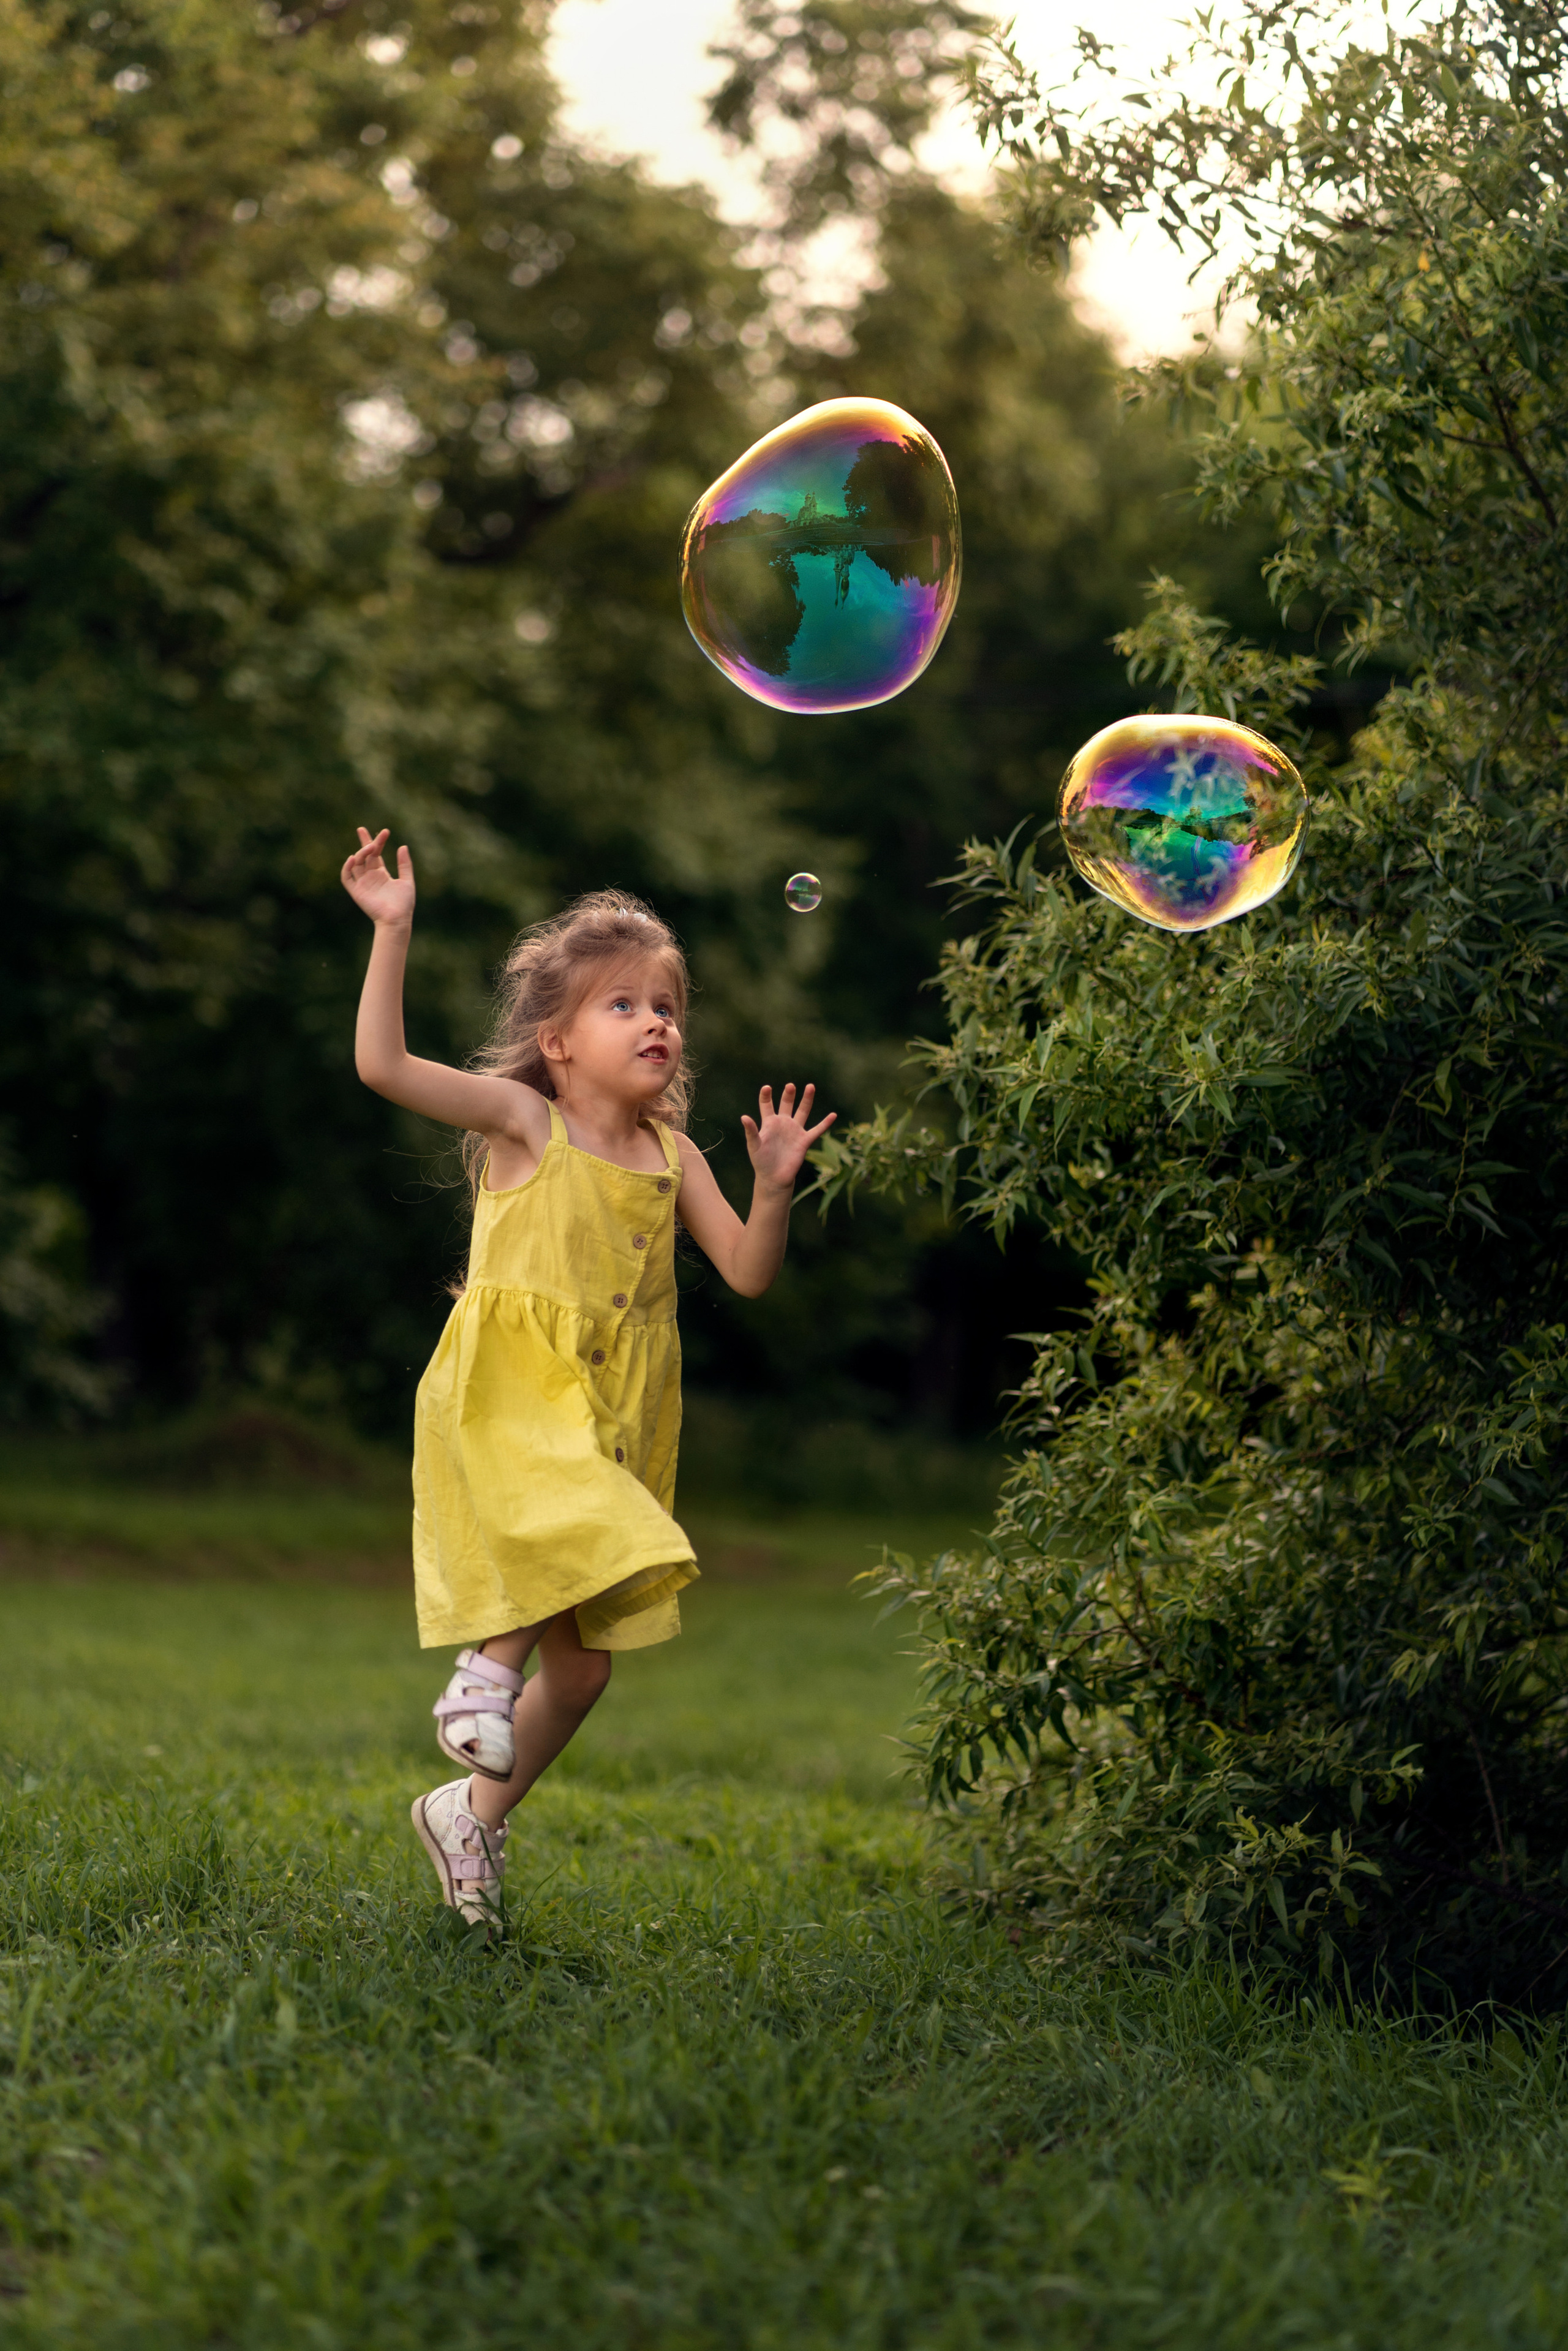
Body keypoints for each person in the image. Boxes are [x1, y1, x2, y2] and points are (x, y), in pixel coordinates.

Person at [341, 827, 835, 1930]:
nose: (657, 1020)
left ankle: (469, 1813)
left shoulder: (677, 1158)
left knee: (590, 1674)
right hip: (516, 1394)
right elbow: (383, 1067)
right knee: (594, 1526)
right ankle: (482, 1675)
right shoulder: (528, 1122)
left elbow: (749, 1275)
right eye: (625, 1004)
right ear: (556, 1042)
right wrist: (393, 930)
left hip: (614, 1413)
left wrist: (772, 1188)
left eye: (667, 1005)